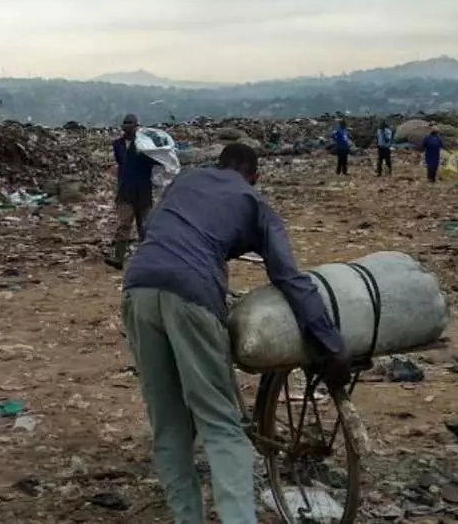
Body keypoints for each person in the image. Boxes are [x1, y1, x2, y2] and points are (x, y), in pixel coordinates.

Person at [122, 143, 349, 524]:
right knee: (221, 425)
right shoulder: (254, 202)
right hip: (192, 294)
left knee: (169, 424)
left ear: (219, 165)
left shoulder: (184, 181)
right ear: (255, 176)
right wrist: (330, 343)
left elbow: (164, 230)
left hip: (138, 287)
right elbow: (288, 277)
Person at [107, 114, 157, 269]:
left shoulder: (147, 146)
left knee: (145, 227)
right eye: (126, 124)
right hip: (126, 191)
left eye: (131, 124)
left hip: (143, 191)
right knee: (124, 225)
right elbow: (123, 160)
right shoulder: (118, 144)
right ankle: (118, 258)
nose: (128, 127)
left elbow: (155, 161)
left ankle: (147, 259)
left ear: (137, 126)